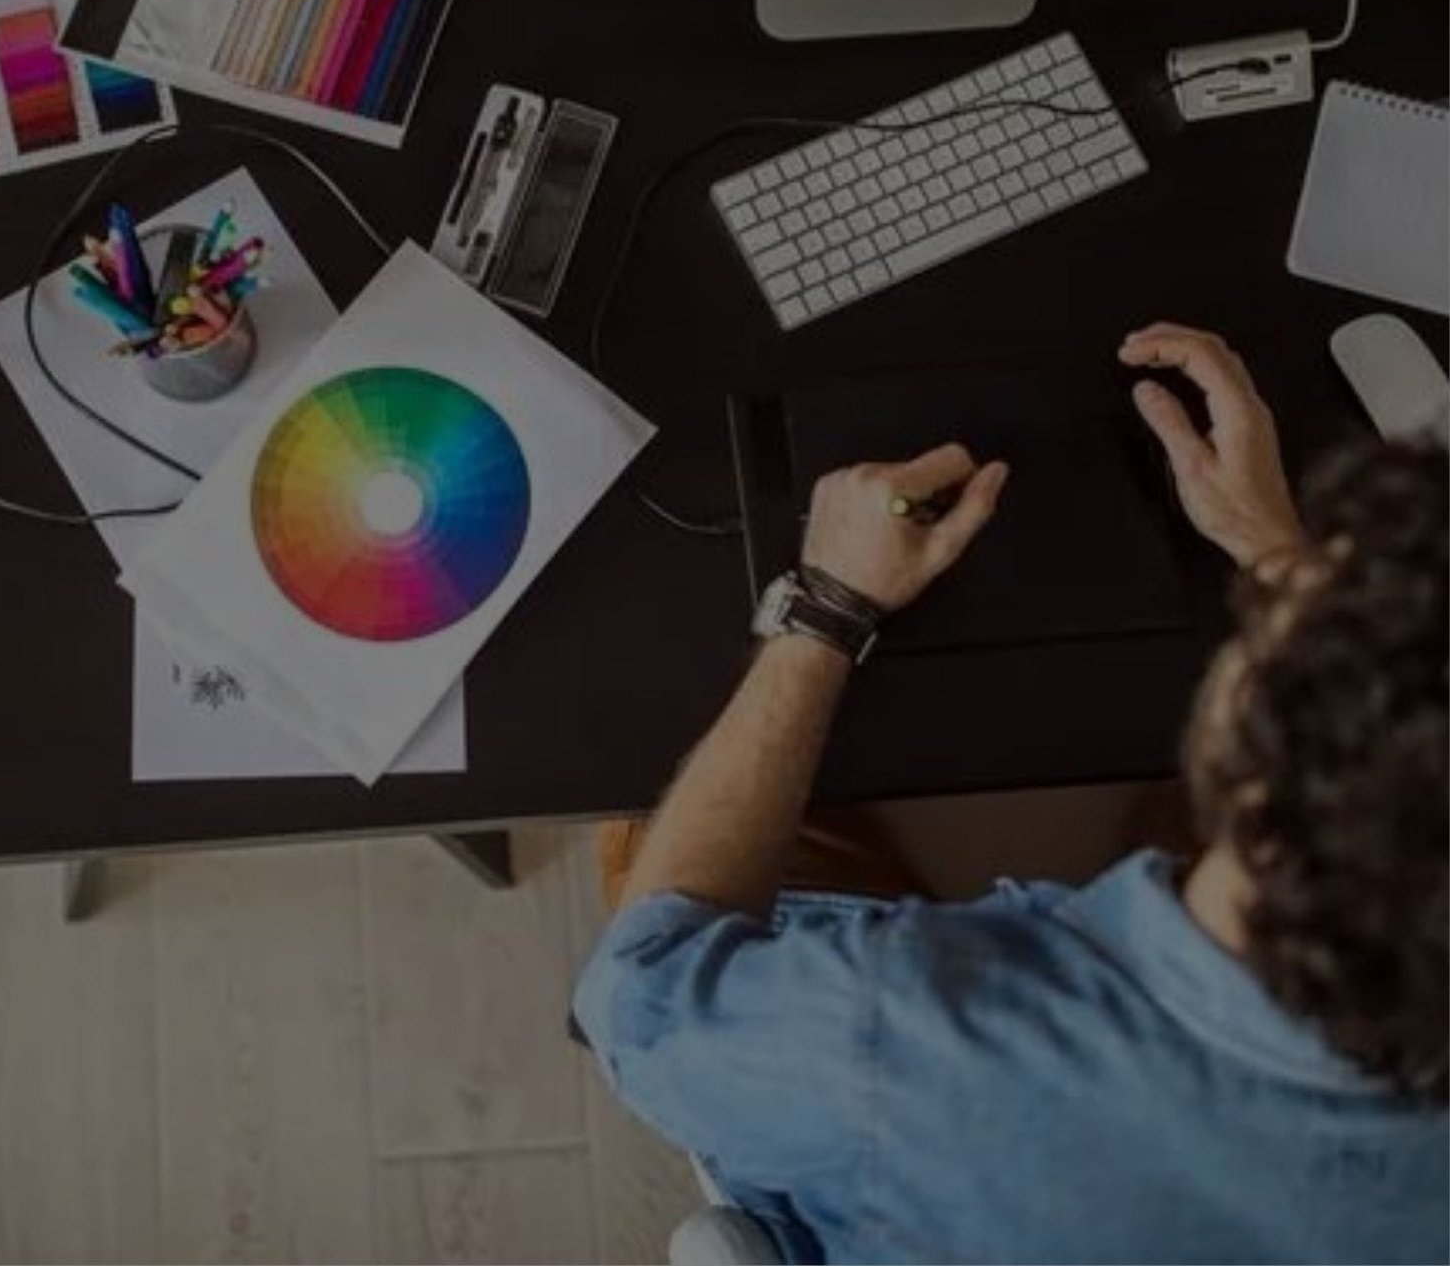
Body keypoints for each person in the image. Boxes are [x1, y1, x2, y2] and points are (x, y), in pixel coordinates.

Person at [573, 322, 1449, 1264]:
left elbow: (639, 995)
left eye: (1262, 644)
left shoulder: (900, 1039)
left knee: (640, 821)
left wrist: (825, 606)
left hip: (921, 1152)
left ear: (1253, 785)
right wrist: (1280, 559)